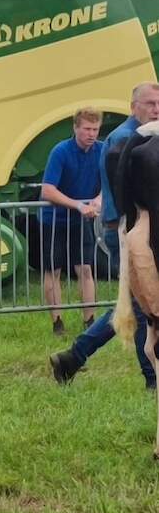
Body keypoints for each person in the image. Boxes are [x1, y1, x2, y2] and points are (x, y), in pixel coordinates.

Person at [51, 84, 159, 388]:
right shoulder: (128, 139)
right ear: (133, 106)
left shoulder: (136, 136)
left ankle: (72, 357)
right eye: (149, 103)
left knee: (134, 304)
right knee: (145, 306)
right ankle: (151, 377)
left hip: (129, 227)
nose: (156, 109)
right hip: (129, 230)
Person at [40, 108, 103, 336]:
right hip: (53, 219)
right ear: (75, 128)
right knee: (53, 270)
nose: (91, 134)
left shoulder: (101, 150)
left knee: (85, 269)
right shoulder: (61, 151)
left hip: (82, 219)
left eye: (95, 129)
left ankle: (90, 321)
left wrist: (98, 200)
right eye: (86, 128)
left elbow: (108, 182)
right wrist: (78, 205)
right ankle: (57, 322)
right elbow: (47, 190)